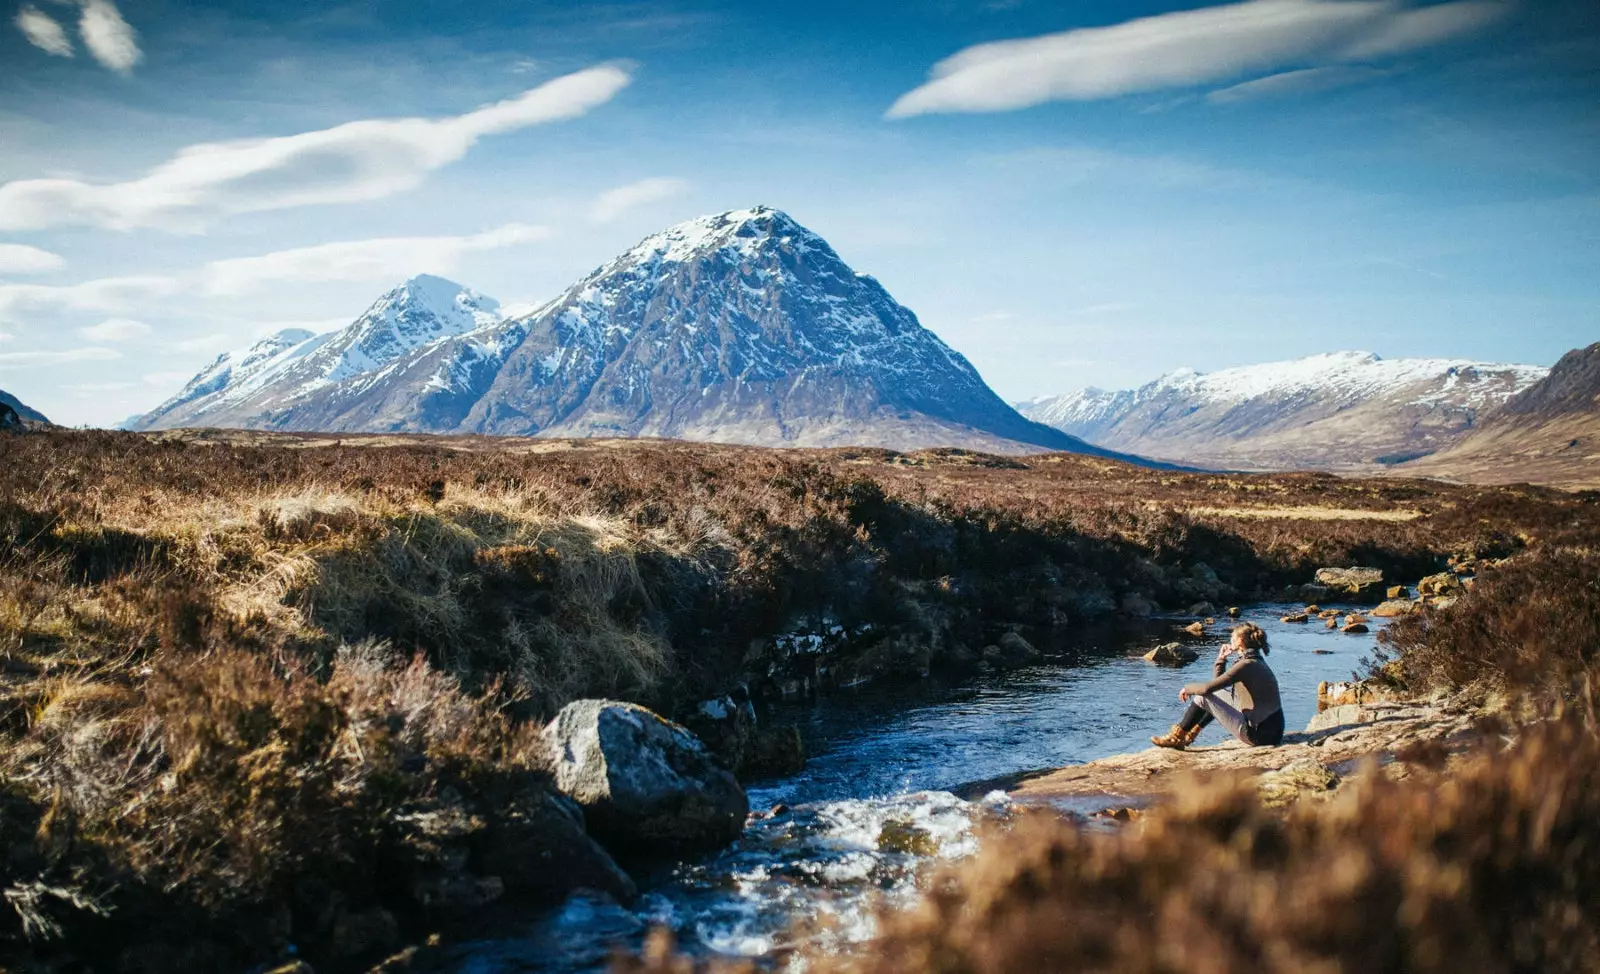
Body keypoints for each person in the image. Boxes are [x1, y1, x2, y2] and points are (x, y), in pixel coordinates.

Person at [1151, 622, 1283, 749]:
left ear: (1240, 641)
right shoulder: (1255, 661)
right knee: (1215, 696)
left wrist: (1188, 688)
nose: (1230, 639)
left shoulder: (1246, 665)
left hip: (1259, 736)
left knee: (1202, 696)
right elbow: (1218, 688)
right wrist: (1221, 659)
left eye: (1233, 637)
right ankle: (1189, 735)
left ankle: (1177, 737)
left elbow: (1207, 689)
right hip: (1272, 733)